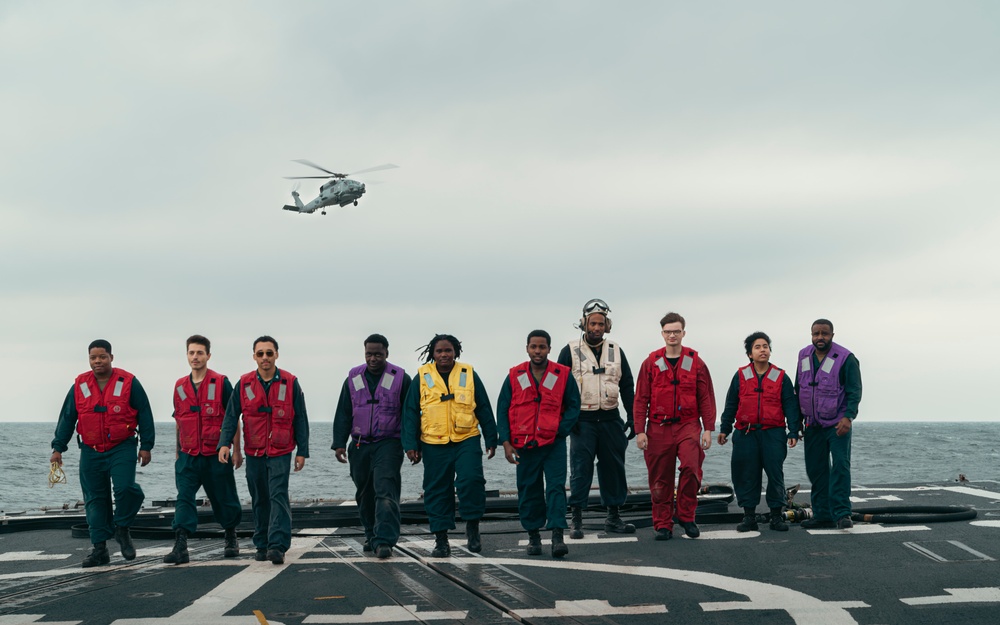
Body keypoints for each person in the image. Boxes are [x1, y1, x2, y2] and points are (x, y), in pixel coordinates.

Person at [50, 339, 155, 567]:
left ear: (111, 358)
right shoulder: (80, 384)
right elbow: (68, 417)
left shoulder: (128, 382)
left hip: (122, 446)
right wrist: (58, 447)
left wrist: (147, 445)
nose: (97, 361)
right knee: (94, 500)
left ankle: (122, 528)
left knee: (127, 489)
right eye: (93, 358)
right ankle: (99, 550)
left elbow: (145, 413)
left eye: (102, 357)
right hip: (90, 450)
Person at [401, 334, 497, 557]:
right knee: (436, 491)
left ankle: (472, 527)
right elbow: (410, 413)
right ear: (432, 354)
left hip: (467, 438)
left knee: (471, 481)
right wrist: (410, 445)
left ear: (456, 352)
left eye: (448, 351)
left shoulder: (469, 373)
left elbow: (483, 406)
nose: (444, 355)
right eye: (439, 351)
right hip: (433, 443)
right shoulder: (422, 376)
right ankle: (441, 540)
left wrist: (491, 437)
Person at [218, 336, 309, 565]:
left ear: (276, 354)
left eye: (269, 353)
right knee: (259, 497)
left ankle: (277, 545)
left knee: (278, 495)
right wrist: (224, 444)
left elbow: (301, 418)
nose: (265, 358)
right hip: (255, 450)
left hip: (280, 450)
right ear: (254, 357)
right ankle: (262, 543)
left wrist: (302, 451)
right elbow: (231, 416)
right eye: (260, 354)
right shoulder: (244, 383)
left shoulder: (290, 382)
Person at [497, 330, 581, 557]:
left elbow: (574, 405)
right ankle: (533, 535)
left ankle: (557, 536)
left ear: (549, 349)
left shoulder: (562, 374)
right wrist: (505, 442)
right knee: (528, 489)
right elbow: (503, 408)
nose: (537, 351)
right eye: (533, 347)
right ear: (527, 348)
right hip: (524, 446)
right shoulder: (515, 375)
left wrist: (561, 431)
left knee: (555, 488)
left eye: (542, 347)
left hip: (552, 444)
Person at [557, 299, 636, 538]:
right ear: (584, 324)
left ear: (607, 325)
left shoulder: (616, 350)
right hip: (582, 421)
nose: (597, 328)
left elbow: (627, 384)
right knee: (581, 469)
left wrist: (632, 416)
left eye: (601, 323)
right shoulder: (569, 351)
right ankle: (576, 519)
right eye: (593, 323)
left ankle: (613, 517)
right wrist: (567, 420)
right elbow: (559, 389)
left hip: (611, 419)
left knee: (614, 468)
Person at [633, 312, 716, 540]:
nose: (672, 335)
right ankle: (663, 524)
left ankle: (686, 516)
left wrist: (708, 428)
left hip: (688, 425)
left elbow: (706, 396)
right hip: (658, 428)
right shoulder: (650, 363)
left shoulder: (695, 362)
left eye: (676, 331)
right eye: (668, 331)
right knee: (660, 479)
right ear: (662, 334)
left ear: (683, 333)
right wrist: (640, 430)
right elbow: (641, 398)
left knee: (691, 467)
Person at [164, 335, 243, 564]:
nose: (195, 357)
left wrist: (236, 450)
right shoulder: (179, 386)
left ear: (208, 355)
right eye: (191, 353)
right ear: (186, 355)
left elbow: (232, 418)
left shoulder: (221, 383)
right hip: (188, 456)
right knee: (184, 498)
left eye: (199, 353)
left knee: (225, 498)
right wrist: (178, 451)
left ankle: (230, 535)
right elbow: (179, 421)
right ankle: (181, 544)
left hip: (216, 454)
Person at [333, 334, 411, 559]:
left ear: (387, 353)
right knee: (365, 493)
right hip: (359, 445)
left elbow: (410, 415)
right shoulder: (353, 377)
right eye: (369, 354)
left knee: (385, 491)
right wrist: (339, 443)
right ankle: (370, 534)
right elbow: (344, 411)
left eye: (378, 354)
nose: (373, 358)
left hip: (389, 444)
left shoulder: (401, 378)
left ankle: (384, 540)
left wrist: (411, 445)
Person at [717, 332, 801, 532]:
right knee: (746, 474)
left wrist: (793, 432)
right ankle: (749, 517)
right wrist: (724, 429)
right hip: (746, 434)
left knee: (775, 474)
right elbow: (731, 404)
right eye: (757, 347)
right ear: (749, 354)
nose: (763, 349)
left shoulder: (781, 377)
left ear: (770, 351)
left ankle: (775, 516)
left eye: (766, 346)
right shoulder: (740, 376)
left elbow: (791, 406)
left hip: (773, 434)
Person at [796, 319, 862, 530]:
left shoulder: (846, 358)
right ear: (811, 335)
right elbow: (799, 387)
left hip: (837, 424)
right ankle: (822, 514)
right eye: (816, 333)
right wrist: (797, 420)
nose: (820, 337)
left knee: (840, 467)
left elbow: (854, 390)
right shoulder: (804, 355)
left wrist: (848, 417)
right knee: (816, 469)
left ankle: (842, 513)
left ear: (832, 335)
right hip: (812, 425)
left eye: (824, 333)